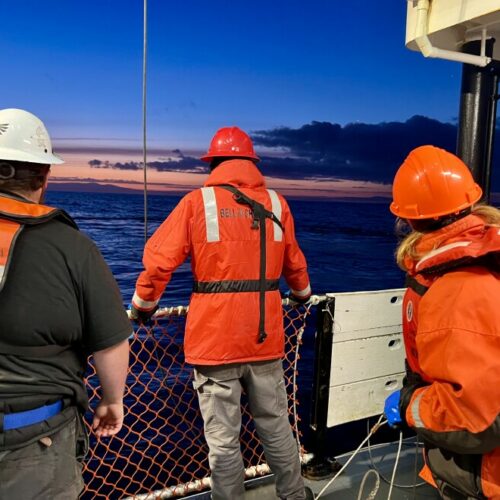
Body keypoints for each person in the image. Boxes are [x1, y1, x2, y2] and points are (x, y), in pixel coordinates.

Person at [131, 126, 312, 500]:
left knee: (224, 440)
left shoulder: (197, 203)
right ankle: (294, 495)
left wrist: (143, 307)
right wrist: (301, 295)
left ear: (212, 163)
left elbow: (158, 263)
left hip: (214, 343)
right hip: (265, 339)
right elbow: (295, 265)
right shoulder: (278, 204)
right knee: (276, 426)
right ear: (252, 163)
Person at [0, 108, 132, 499]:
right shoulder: (74, 247)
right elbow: (111, 342)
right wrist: (112, 402)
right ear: (44, 177)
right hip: (33, 446)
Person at [384, 145, 500, 499]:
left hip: (487, 475)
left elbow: (475, 420)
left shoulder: (456, 291)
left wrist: (408, 405)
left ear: (410, 220)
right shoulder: (488, 262)